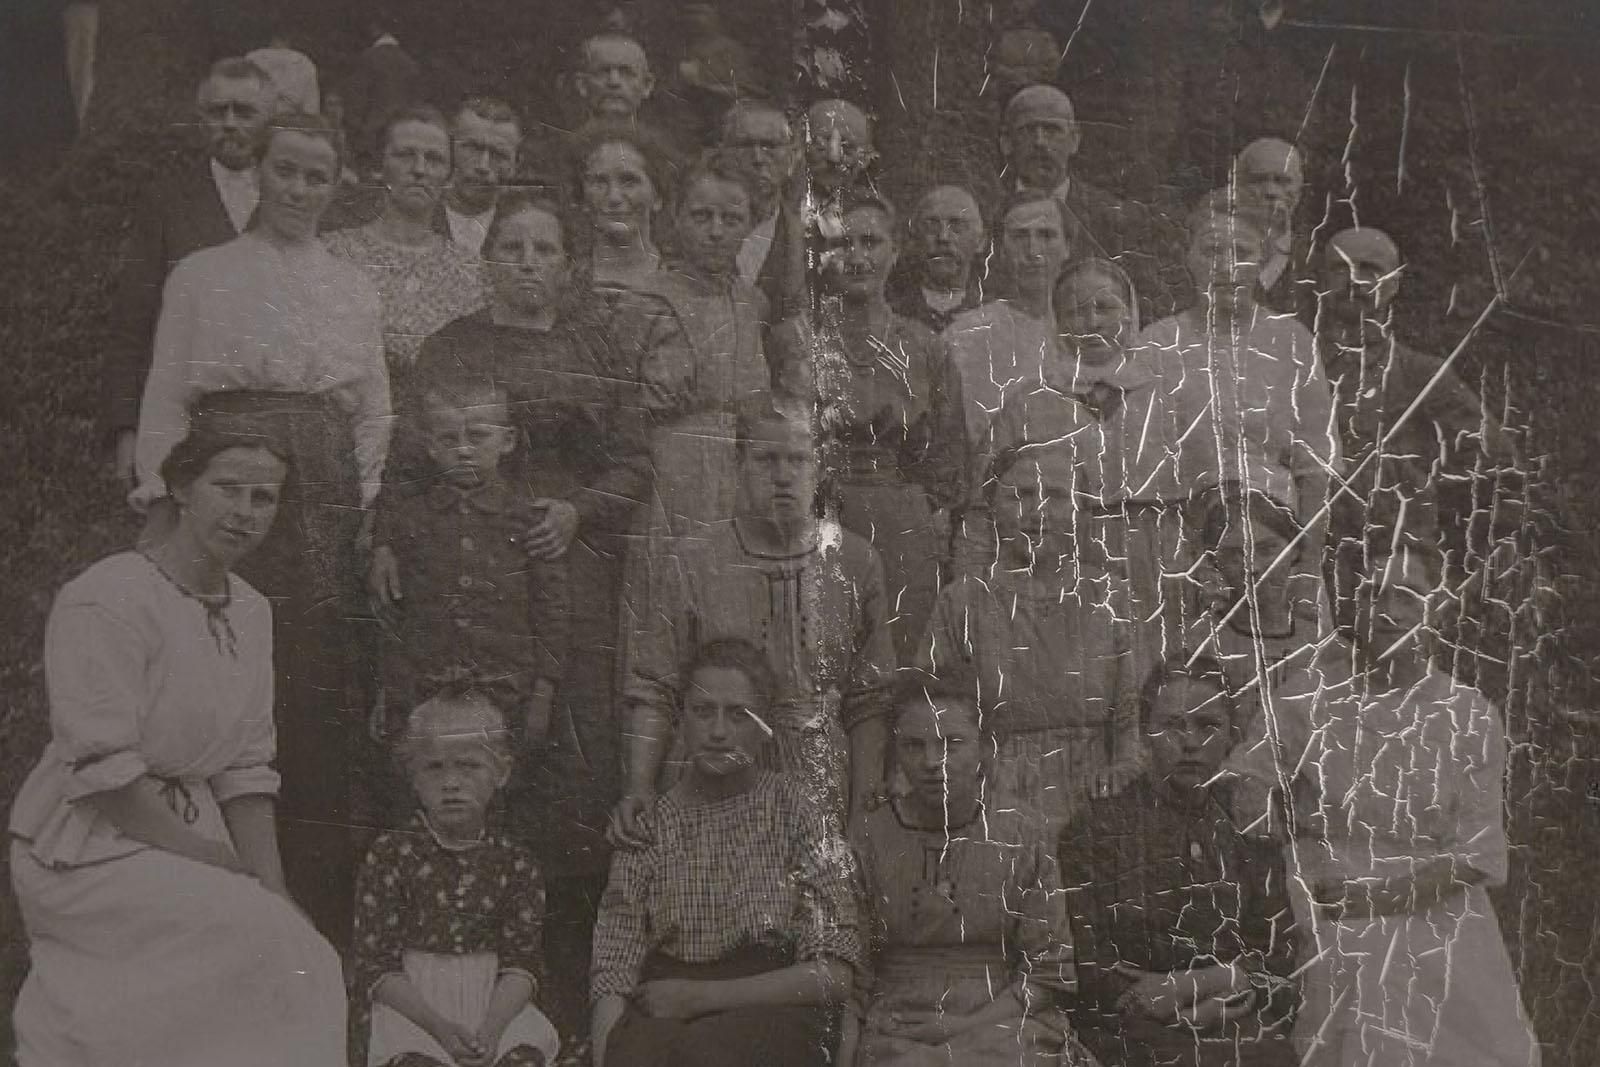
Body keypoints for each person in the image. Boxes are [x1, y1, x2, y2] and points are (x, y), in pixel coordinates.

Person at [371, 190, 651, 1037]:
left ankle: (552, 991)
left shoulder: (592, 345)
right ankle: (447, 986)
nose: (529, 262)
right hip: (461, 586)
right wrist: (385, 541)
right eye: (513, 246)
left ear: (567, 264)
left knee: (564, 763)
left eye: (545, 248)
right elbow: (405, 466)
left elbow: (635, 462)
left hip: (564, 574)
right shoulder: (449, 346)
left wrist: (578, 510)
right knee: (459, 755)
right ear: (486, 258)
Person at [9, 424, 346, 1065]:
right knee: (268, 944)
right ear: (182, 489)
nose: (245, 513)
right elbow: (105, 773)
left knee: (301, 949)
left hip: (190, 839)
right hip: (87, 847)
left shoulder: (253, 610)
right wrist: (214, 866)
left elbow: (247, 771)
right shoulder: (106, 597)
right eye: (228, 489)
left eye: (263, 498)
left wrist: (273, 889)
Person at [132, 111, 389, 944]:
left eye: (318, 175)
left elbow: (372, 412)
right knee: (216, 662)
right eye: (287, 171)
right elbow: (169, 390)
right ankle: (207, 887)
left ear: (337, 183)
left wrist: (362, 506)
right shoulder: (203, 274)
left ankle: (309, 900)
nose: (301, 190)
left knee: (310, 686)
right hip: (227, 472)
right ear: (259, 173)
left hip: (320, 489)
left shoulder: (352, 284)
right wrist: (164, 494)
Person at [1241, 540, 1542, 1066]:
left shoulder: (1468, 714)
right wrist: (1295, 820)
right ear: (1350, 605)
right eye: (1372, 594)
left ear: (1436, 609)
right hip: (1327, 903)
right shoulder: (1304, 697)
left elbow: (1475, 854)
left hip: (1435, 911)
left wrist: (1380, 899)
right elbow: (1240, 788)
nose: (1388, 611)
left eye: (1407, 596)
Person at [615, 402, 896, 835]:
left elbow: (869, 702)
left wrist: (863, 809)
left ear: (820, 467)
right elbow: (655, 686)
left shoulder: (855, 561)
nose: (783, 475)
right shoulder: (695, 559)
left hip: (820, 775)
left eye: (798, 460)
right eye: (766, 459)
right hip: (715, 771)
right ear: (739, 464)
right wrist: (639, 786)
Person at [591, 639, 865, 1067]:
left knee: (711, 1054)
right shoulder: (651, 824)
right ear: (681, 720)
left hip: (770, 1005)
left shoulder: (796, 810)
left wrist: (699, 998)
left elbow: (834, 974)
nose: (718, 732)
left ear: (764, 725)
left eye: (739, 715)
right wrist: (609, 1053)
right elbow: (613, 969)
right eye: (703, 712)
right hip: (665, 1006)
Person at [1058, 654, 1299, 1067]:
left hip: (1231, 1016)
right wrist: (1163, 1004)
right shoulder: (1097, 829)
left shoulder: (1246, 830)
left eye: (1208, 727)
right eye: (1173, 725)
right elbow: (1086, 960)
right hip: (1134, 1027)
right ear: (1145, 734)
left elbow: (1280, 956)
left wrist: (1210, 989)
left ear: (1231, 736)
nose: (1190, 742)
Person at [976, 257, 1211, 661]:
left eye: (1106, 308)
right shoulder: (1027, 403)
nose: (1093, 322)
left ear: (1130, 312)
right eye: (1076, 310)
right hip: (1058, 557)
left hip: (1153, 559)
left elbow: (1205, 495)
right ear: (1057, 319)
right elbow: (984, 498)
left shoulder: (1170, 399)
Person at [846, 676, 1085, 1067]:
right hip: (900, 1020)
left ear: (985, 749)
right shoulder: (870, 836)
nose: (930, 761)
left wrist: (959, 1029)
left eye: (951, 744)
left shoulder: (1021, 831)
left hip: (1002, 1014)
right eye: (914, 745)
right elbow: (854, 975)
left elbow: (1047, 971)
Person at [770, 190, 968, 661]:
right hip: (816, 517)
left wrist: (912, 507)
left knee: (899, 659)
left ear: (895, 251)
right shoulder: (795, 341)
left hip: (900, 523)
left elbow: (950, 455)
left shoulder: (925, 348)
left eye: (871, 243)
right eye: (843, 244)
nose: (856, 257)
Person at [918, 445, 1143, 836]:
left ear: (1082, 511)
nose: (1037, 510)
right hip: (991, 798)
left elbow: (1134, 718)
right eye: (1021, 495)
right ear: (992, 509)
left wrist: (1122, 772)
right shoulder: (962, 602)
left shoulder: (1111, 597)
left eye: (1056, 496)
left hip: (1097, 798)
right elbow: (930, 712)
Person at [1313, 226, 1519, 629]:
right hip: (1306, 565)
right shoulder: (1291, 365)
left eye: (1370, 270)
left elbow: (1502, 465)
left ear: (1393, 283)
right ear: (1320, 280)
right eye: (1341, 269)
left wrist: (1473, 563)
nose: (1354, 280)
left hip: (1393, 567)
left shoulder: (1421, 374)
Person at [351, 683, 561, 1067]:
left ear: (501, 772)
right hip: (415, 1008)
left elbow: (522, 963)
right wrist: (440, 1029)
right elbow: (376, 965)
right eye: (434, 767)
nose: (451, 783)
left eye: (469, 766)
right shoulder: (391, 854)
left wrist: (492, 1032)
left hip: (494, 1005)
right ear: (413, 777)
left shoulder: (515, 862)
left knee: (522, 1058)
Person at [368, 375, 568, 762]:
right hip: (424, 687)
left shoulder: (529, 519)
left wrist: (544, 693)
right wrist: (389, 692)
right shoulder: (411, 521)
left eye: (477, 437)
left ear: (507, 441)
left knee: (503, 776)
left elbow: (553, 611)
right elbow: (393, 618)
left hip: (509, 688)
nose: (463, 451)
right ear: (429, 446)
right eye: (448, 439)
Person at [1141, 198, 1338, 585]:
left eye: (1241, 252)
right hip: (1188, 549)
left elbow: (1316, 470)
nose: (1227, 267)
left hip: (1281, 547)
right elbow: (1147, 476)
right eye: (1212, 252)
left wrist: (1308, 568)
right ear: (1189, 258)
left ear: (1263, 261)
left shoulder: (1291, 340)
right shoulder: (1156, 344)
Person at [104, 57, 273, 487]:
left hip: (273, 421)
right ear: (201, 120)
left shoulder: (293, 196)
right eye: (218, 112)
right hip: (186, 418)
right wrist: (126, 430)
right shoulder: (165, 201)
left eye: (245, 112)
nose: (230, 124)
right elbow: (132, 324)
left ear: (270, 118)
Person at [629, 152, 771, 536]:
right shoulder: (647, 300)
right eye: (701, 216)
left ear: (749, 226)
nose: (715, 231)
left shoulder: (751, 303)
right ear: (676, 218)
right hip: (668, 474)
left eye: (731, 219)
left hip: (740, 475)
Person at [999, 84, 1184, 322]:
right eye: (1027, 130)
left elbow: (1148, 308)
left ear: (1074, 139)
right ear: (1006, 142)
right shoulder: (984, 215)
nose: (1040, 142)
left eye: (1052, 130)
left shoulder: (1118, 220)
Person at [325, 105, 485, 372]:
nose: (419, 169)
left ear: (448, 176)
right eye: (405, 155)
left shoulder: (471, 271)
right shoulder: (335, 252)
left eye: (434, 159)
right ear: (381, 165)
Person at [943, 191, 1075, 449]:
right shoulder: (965, 336)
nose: (1033, 251)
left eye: (1046, 235)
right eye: (1019, 237)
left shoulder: (1093, 328)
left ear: (1068, 246)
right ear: (1000, 250)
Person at [576, 121, 676, 296]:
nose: (614, 197)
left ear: (658, 195)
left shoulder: (681, 280)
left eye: (629, 181)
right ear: (583, 198)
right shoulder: (565, 279)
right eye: (599, 182)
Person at [717, 98, 798, 290]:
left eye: (770, 146)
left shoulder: (806, 237)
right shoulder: (686, 229)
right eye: (744, 146)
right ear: (722, 153)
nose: (758, 158)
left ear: (792, 157)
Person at [884, 184, 987, 333]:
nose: (943, 237)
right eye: (931, 226)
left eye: (957, 226)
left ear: (980, 241)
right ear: (914, 237)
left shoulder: (994, 314)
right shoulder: (890, 310)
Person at [1233, 138, 1307, 310]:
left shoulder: (1315, 263)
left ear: (1299, 188)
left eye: (1282, 181)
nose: (1270, 192)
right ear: (1236, 187)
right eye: (1257, 180)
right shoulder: (1213, 253)